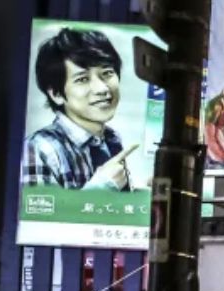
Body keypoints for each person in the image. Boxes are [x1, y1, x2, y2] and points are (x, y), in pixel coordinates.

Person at [21, 27, 140, 191]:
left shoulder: (112, 139)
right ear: (56, 94)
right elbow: (36, 214)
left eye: (107, 73)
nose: (102, 89)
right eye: (83, 79)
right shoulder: (40, 148)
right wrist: (101, 189)